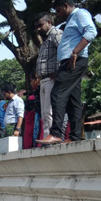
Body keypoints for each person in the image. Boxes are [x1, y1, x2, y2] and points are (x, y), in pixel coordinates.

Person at [39, 0, 97, 144]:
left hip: (74, 61)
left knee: (57, 94)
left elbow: (91, 32)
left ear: (65, 6)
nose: (58, 14)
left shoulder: (80, 14)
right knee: (73, 101)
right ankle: (75, 136)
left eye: (58, 11)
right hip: (69, 62)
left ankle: (56, 133)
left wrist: (75, 52)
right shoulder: (71, 20)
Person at [34, 12, 63, 140]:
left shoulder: (56, 34)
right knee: (45, 113)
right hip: (44, 80)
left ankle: (53, 137)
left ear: (49, 22)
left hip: (52, 79)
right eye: (37, 26)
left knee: (49, 111)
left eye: (40, 25)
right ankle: (47, 137)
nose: (38, 29)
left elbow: (65, 52)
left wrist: (60, 71)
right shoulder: (46, 38)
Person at [23, 74, 43, 149]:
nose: (31, 83)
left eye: (32, 81)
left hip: (33, 123)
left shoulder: (33, 98)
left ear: (37, 80)